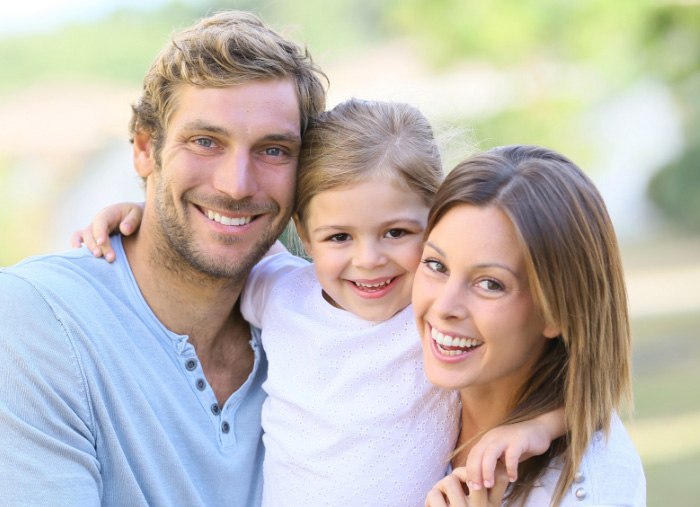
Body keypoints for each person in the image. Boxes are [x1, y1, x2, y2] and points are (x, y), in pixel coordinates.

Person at [72, 101, 567, 505]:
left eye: (396, 232)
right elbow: (211, 238)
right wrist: (144, 217)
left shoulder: (438, 319)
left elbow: (575, 383)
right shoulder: (279, 289)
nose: (368, 260)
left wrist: (539, 427)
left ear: (435, 222)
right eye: (338, 237)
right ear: (304, 235)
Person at [0, 10, 326, 506]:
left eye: (274, 150)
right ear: (145, 149)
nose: (236, 185)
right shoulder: (36, 320)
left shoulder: (319, 324)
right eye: (205, 142)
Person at [418, 145, 646, 506]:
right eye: (436, 265)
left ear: (558, 311)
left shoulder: (585, 489)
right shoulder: (397, 366)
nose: (443, 307)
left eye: (490, 284)